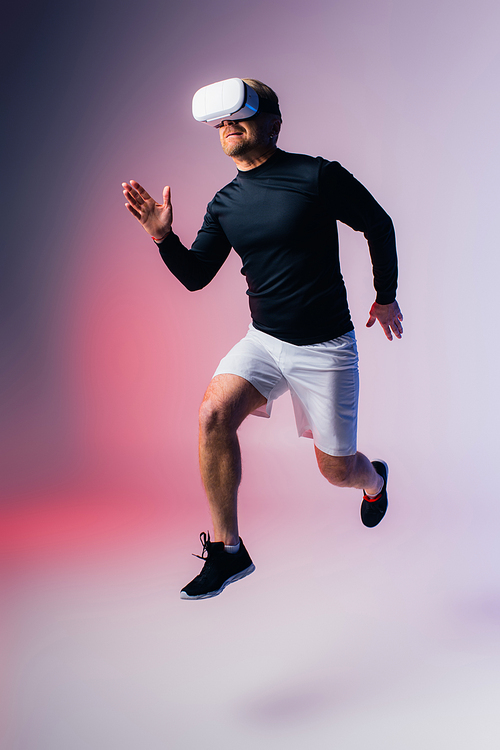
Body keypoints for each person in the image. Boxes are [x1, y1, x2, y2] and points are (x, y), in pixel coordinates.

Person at [122, 78, 403, 600]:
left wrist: (384, 295)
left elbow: (378, 223)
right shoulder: (225, 203)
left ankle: (374, 480)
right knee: (212, 414)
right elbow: (196, 275)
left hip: (324, 350)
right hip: (265, 341)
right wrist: (162, 236)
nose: (228, 126)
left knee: (336, 469)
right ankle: (229, 551)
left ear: (273, 123)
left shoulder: (317, 176)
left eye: (241, 115)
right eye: (221, 121)